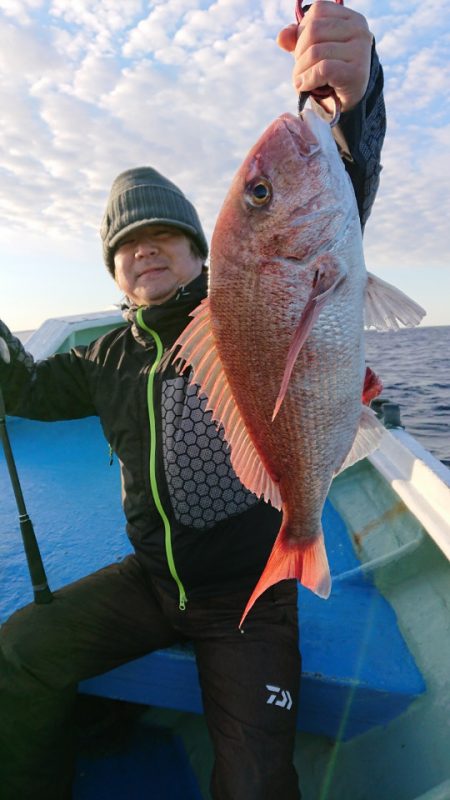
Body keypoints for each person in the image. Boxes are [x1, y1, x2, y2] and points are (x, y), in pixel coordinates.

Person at [0, 4, 386, 799]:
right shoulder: (103, 355)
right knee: (22, 649)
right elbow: (28, 391)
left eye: (162, 238)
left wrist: (356, 99)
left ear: (198, 252)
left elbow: (336, 193)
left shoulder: (247, 296)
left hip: (249, 595)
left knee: (254, 780)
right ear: (114, 274)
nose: (143, 250)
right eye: (125, 246)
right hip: (151, 581)